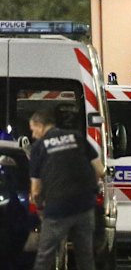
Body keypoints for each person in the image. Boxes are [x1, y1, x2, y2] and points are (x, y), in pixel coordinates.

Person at [28, 110, 104, 270]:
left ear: (41, 126)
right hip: (85, 205)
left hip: (58, 208)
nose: (33, 135)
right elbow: (99, 170)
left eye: (33, 130)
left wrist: (40, 208)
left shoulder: (38, 147)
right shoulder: (76, 137)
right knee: (85, 256)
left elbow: (35, 189)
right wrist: (90, 189)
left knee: (44, 256)